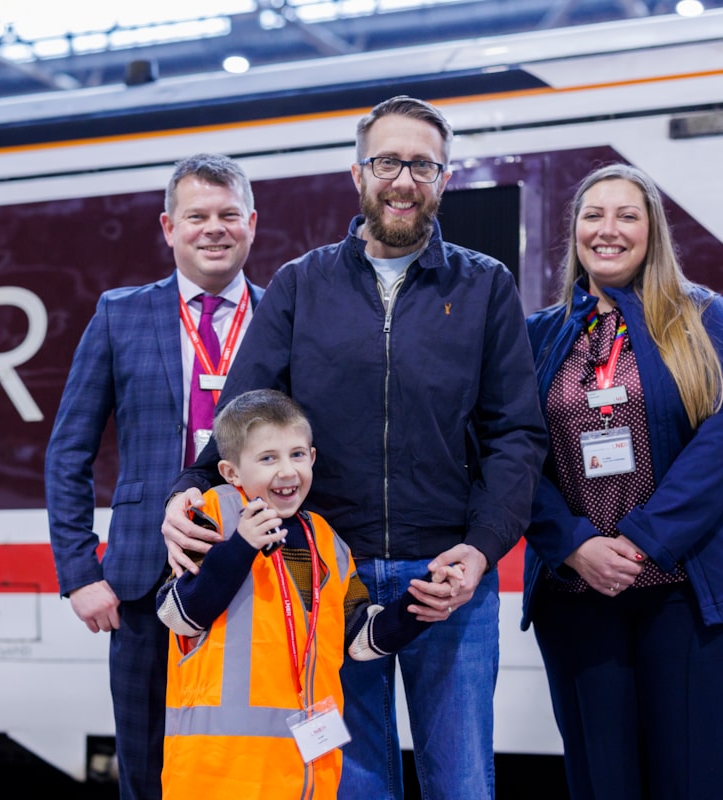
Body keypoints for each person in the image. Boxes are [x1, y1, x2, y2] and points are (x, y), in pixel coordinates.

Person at [161, 96, 548, 800]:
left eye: (422, 165)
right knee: (353, 783)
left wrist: (484, 548)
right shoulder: (301, 285)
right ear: (358, 173)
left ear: (444, 178)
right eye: (388, 161)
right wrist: (188, 490)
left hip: (449, 582)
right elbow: (241, 417)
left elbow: (515, 433)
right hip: (328, 580)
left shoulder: (485, 285)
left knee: (461, 783)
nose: (404, 180)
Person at [522, 163, 723, 800]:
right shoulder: (539, 335)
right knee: (605, 784)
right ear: (574, 229)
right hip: (579, 596)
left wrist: (640, 543)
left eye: (627, 215)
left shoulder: (702, 317)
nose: (608, 230)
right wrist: (574, 544)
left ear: (652, 230)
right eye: (593, 214)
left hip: (696, 594)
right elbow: (510, 452)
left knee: (703, 782)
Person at [45, 153, 264, 800]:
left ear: (252, 224)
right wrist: (81, 574)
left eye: (229, 215)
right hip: (140, 579)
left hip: (254, 568)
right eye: (197, 216)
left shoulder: (285, 315)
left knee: (242, 769)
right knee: (146, 770)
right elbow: (68, 452)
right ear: (168, 228)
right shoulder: (121, 315)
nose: (214, 229)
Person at [155, 389, 463, 799]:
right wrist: (241, 547)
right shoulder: (211, 516)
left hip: (305, 777)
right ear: (231, 472)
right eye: (268, 458)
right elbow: (178, 614)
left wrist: (418, 606)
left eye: (297, 455)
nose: (287, 471)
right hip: (220, 775)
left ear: (313, 458)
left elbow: (360, 640)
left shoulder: (324, 538)